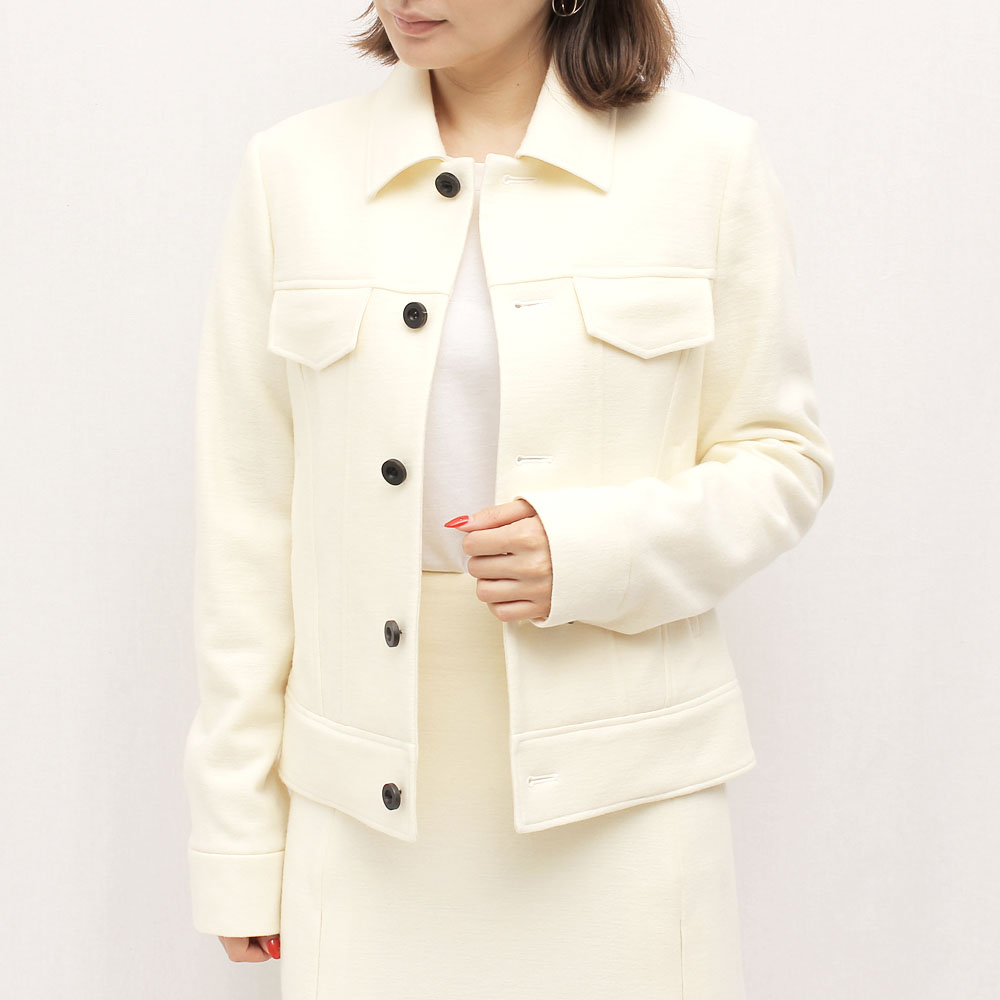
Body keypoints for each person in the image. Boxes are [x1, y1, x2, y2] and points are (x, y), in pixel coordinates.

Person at [182, 1, 835, 996]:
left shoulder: (705, 162)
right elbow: (246, 523)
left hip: (624, 799)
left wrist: (591, 550)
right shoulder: (292, 171)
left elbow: (781, 457)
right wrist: (237, 834)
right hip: (361, 805)